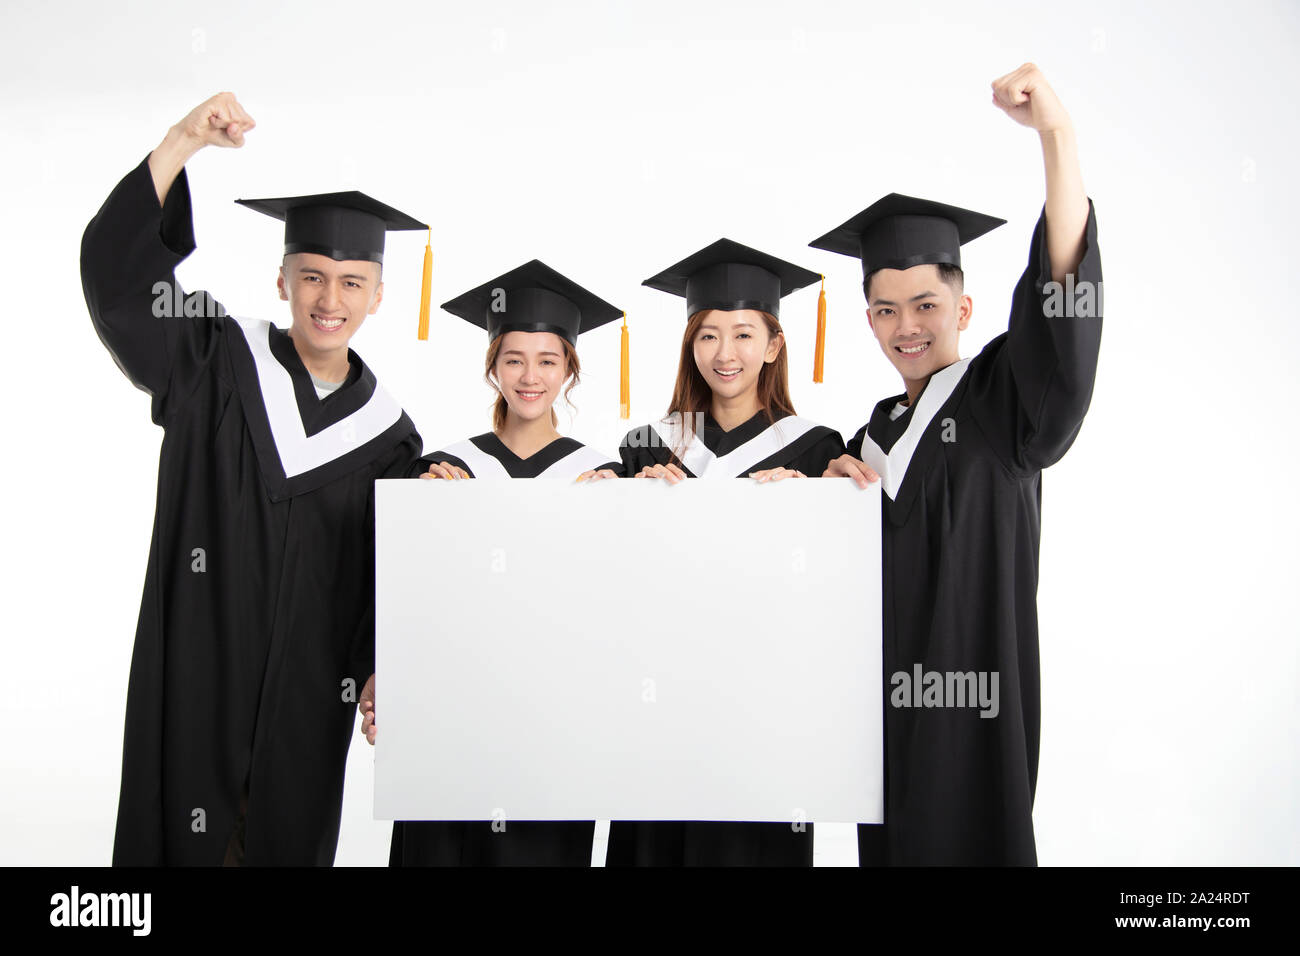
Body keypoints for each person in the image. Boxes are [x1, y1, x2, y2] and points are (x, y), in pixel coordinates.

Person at [81, 92, 426, 865]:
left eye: (350, 282)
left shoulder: (393, 442)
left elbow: (386, 577)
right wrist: (180, 143)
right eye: (310, 276)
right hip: (196, 678)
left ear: (377, 296)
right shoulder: (212, 359)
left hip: (308, 704)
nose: (328, 299)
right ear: (281, 282)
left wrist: (378, 668)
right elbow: (117, 284)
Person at [809, 63, 1102, 865]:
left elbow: (1060, 293)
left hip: (974, 730)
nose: (907, 326)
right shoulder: (866, 440)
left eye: (927, 306)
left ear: (965, 308)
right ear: (867, 319)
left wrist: (1055, 135)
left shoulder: (1002, 401)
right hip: (882, 738)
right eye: (885, 309)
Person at [366, 259, 622, 865]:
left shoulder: (604, 479)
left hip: (555, 737)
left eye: (548, 361)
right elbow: (407, 599)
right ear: (492, 367)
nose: (529, 377)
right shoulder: (441, 470)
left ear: (570, 370)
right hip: (450, 731)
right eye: (513, 359)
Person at [602, 238, 846, 866]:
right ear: (691, 346)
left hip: (764, 707)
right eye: (708, 335)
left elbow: (831, 588)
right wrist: (619, 498)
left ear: (775, 344)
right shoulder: (645, 445)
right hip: (656, 700)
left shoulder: (816, 450)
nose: (725, 353)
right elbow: (610, 578)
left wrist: (816, 505)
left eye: (744, 334)